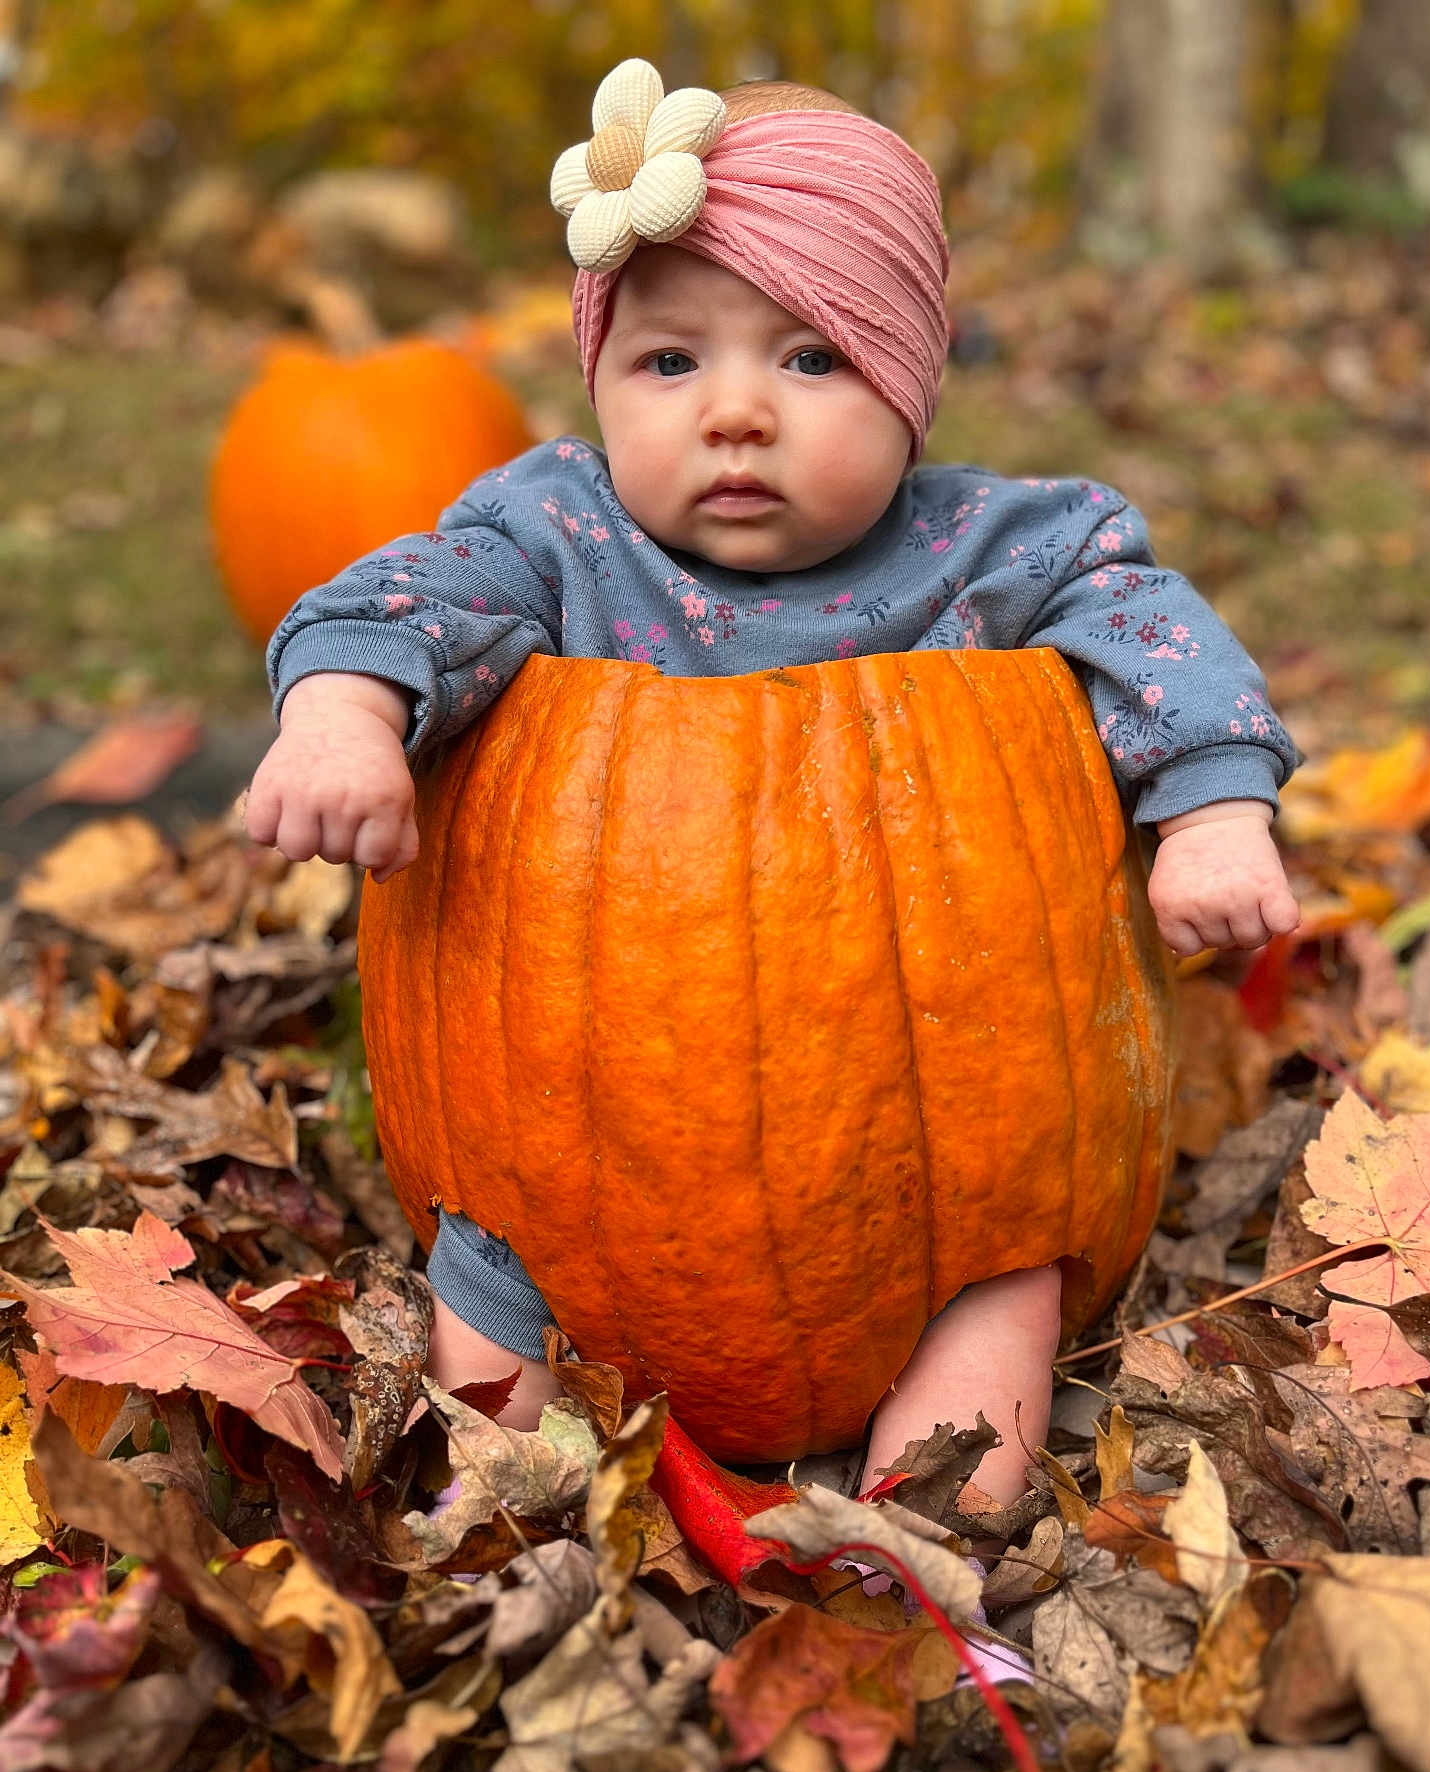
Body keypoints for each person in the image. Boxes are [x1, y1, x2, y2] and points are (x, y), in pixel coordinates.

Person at [245, 62, 1302, 1510]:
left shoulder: (997, 551)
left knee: (1005, 1273)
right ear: (604, 375)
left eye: (812, 360)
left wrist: (1213, 806)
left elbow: (1151, 630)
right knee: (492, 1312)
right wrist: (345, 717)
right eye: (671, 362)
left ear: (910, 379)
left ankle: (926, 1517)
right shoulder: (556, 535)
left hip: (934, 1162)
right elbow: (401, 594)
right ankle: (514, 1490)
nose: (735, 412)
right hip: (572, 1142)